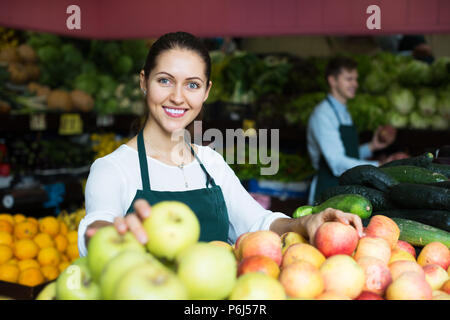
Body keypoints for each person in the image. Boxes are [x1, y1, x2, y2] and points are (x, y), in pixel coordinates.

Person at [78, 32, 364, 257]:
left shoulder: (210, 163)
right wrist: (110, 234)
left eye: (192, 85)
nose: (178, 97)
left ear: (206, 91)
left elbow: (257, 224)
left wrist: (305, 223)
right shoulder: (112, 169)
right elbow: (97, 226)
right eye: (165, 81)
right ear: (144, 82)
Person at [307, 56, 400, 205]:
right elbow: (337, 163)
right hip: (327, 190)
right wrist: (379, 167)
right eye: (349, 79)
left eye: (356, 79)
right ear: (332, 80)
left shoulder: (344, 112)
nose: (355, 84)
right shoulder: (323, 114)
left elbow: (347, 152)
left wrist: (372, 147)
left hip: (347, 188)